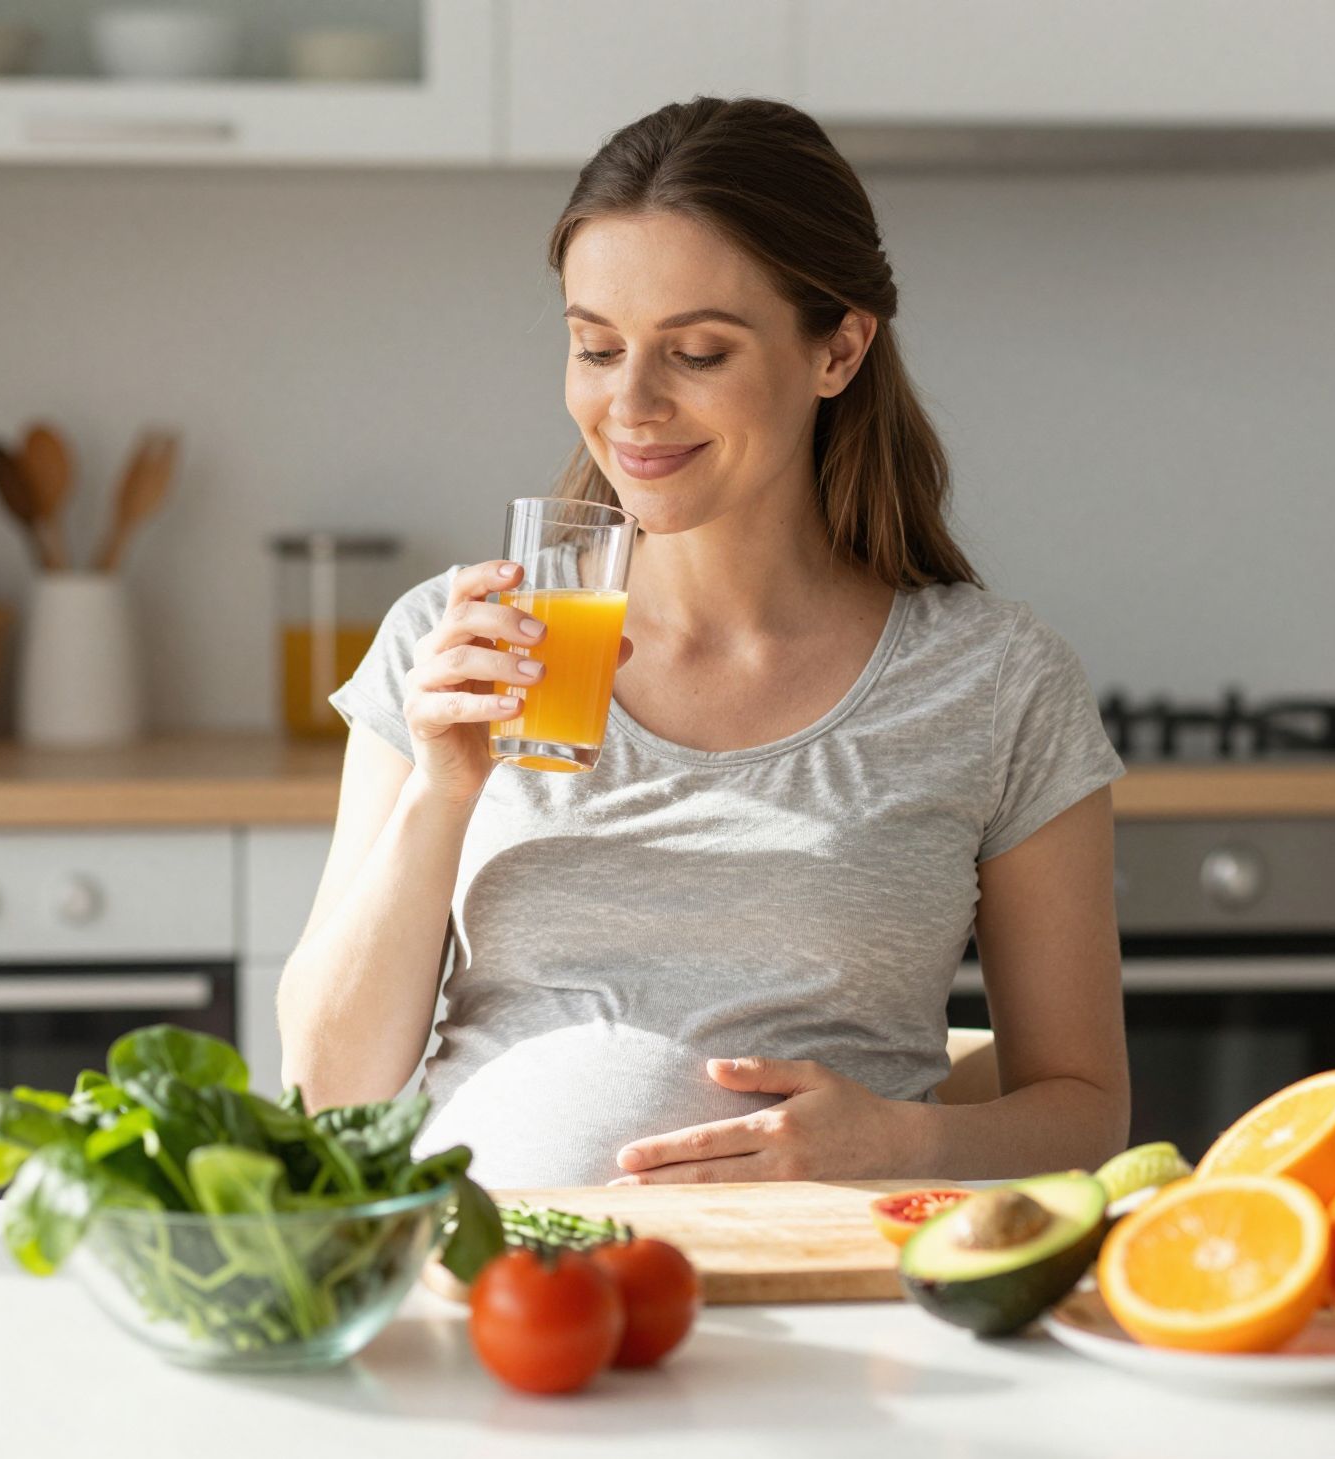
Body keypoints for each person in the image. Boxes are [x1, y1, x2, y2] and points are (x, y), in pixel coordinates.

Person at [277, 96, 1128, 1188]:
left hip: (822, 1308)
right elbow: (324, 1090)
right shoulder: (455, 646)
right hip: (487, 1299)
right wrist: (441, 792)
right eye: (595, 346)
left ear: (838, 350)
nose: (629, 404)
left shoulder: (996, 682)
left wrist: (901, 1141)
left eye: (697, 352)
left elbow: (1083, 1114)